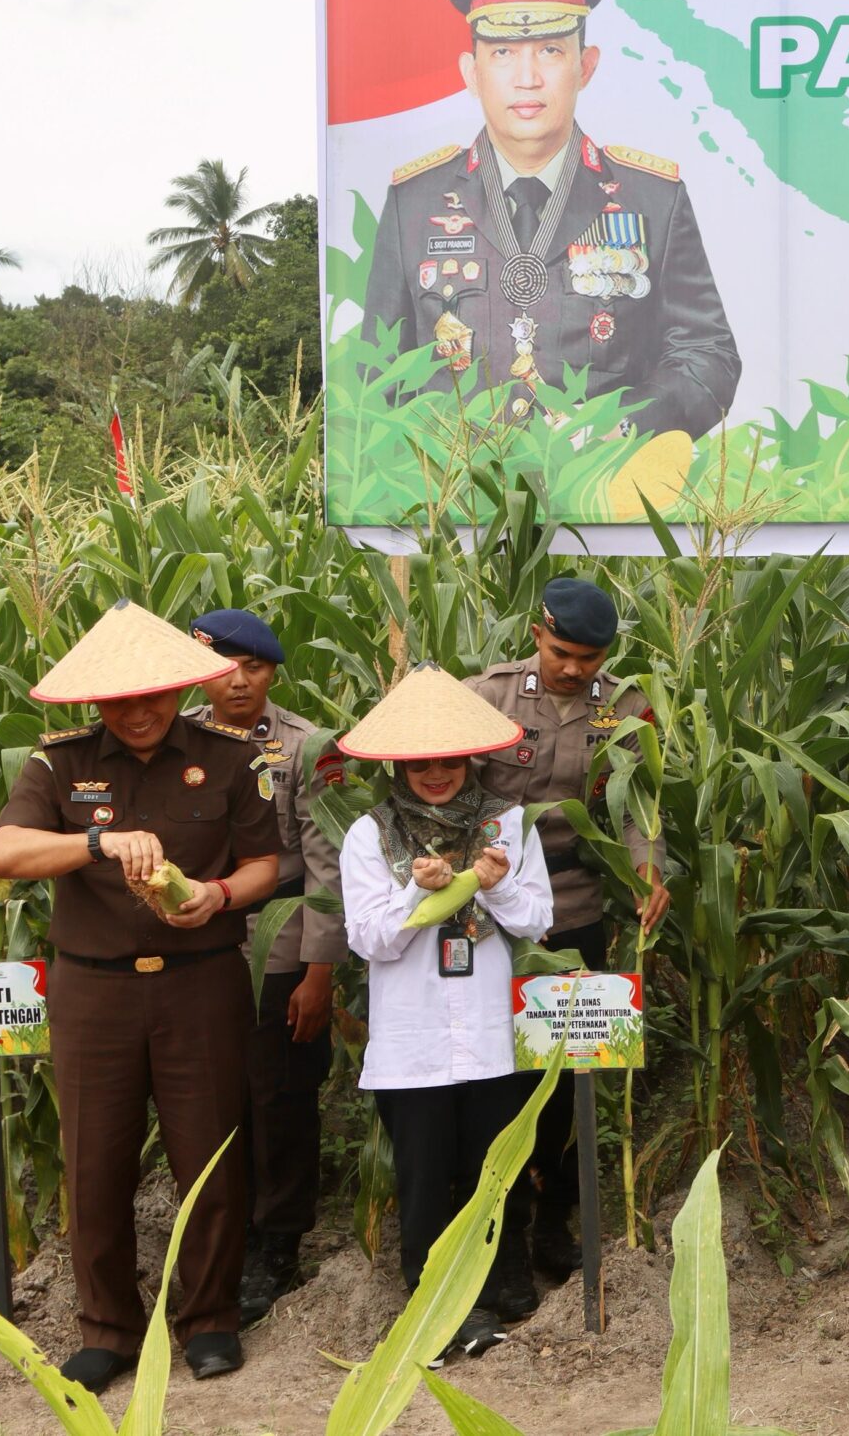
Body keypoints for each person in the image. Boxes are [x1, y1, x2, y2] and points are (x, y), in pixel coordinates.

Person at [0, 603, 283, 1390]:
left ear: (179, 687)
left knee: (210, 1158)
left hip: (202, 984)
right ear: (94, 703)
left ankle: (211, 1321)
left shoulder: (228, 758)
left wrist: (219, 896)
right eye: (121, 701)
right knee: (96, 1163)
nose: (141, 713)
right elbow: (4, 853)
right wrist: (95, 840)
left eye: (154, 696)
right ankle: (107, 1328)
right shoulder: (56, 764)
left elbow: (266, 865)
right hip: (96, 992)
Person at [363, 0, 741, 438]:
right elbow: (378, 371)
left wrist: (623, 426)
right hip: (462, 507)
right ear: (470, 73)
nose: (527, 77)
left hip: (606, 502)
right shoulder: (415, 201)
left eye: (550, 50)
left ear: (586, 66)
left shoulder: (653, 199)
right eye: (502, 53)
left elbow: (708, 354)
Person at [338, 664, 554, 1359]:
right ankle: (432, 1313)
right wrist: (414, 895)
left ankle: (484, 1305)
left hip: (491, 1037)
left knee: (491, 1176)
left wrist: (486, 887)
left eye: (448, 760)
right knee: (426, 1183)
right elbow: (368, 937)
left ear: (469, 758)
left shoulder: (506, 826)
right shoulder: (370, 838)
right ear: (398, 764)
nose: (435, 773)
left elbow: (537, 920)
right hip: (414, 1045)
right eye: (419, 762)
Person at [468, 576, 668, 1290]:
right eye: (562, 653)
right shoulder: (485, 696)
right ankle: (505, 1235)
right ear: (536, 634)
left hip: (574, 905)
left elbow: (636, 803)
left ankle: (556, 1225)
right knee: (499, 1078)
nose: (576, 669)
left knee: (562, 1076)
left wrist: (648, 870)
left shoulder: (624, 707)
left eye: (590, 657)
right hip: (487, 910)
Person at [184, 608, 347, 1326]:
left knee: (279, 1098)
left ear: (274, 672)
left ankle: (278, 1244)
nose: (240, 681)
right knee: (211, 1099)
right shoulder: (176, 735)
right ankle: (225, 1234)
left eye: (255, 668)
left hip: (278, 942)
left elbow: (326, 866)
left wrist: (319, 971)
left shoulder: (307, 747)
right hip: (197, 942)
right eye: (227, 667)